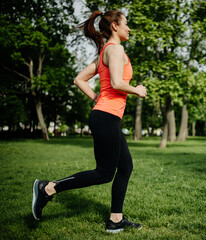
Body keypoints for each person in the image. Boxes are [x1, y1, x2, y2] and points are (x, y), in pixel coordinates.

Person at [32, 10, 147, 233]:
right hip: (106, 116)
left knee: (125, 167)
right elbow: (116, 82)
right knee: (104, 173)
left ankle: (115, 219)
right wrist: (137, 90)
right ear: (114, 26)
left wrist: (97, 98)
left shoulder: (105, 52)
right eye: (126, 24)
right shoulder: (115, 50)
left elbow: (79, 80)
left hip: (105, 115)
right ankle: (48, 188)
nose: (129, 28)